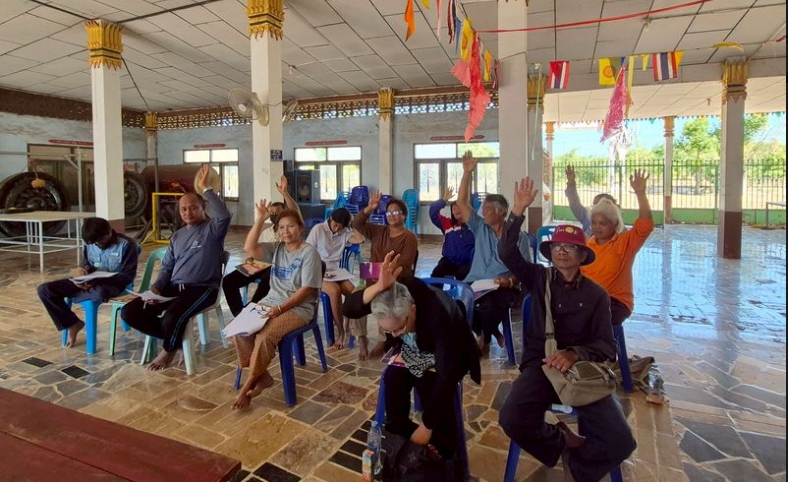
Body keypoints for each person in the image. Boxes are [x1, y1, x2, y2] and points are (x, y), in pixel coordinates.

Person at [498, 176, 636, 482]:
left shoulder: (598, 295)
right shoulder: (539, 278)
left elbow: (606, 347)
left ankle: (578, 467)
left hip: (581, 373)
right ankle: (563, 441)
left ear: (582, 255)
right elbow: (507, 253)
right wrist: (518, 210)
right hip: (541, 367)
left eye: (569, 247)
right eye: (557, 246)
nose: (561, 251)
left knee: (622, 441)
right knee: (511, 417)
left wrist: (575, 353)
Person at [343, 251, 481, 459]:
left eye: (398, 329)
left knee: (430, 388)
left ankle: (443, 449)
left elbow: (448, 374)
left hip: (452, 350)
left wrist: (426, 426)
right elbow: (349, 309)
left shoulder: (436, 316)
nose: (393, 335)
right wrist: (378, 287)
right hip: (415, 349)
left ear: (413, 310)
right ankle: (405, 433)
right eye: (388, 331)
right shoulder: (392, 294)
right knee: (392, 379)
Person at [122, 165, 232, 370]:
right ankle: (178, 340)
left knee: (173, 314)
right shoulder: (177, 236)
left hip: (202, 288)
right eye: (183, 209)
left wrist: (206, 189)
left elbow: (224, 215)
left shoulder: (212, 230)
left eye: (193, 207)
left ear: (202, 208)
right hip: (172, 288)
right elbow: (167, 268)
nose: (188, 212)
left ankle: (168, 351)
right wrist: (156, 289)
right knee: (130, 311)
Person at [232, 203, 322, 409]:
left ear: (301, 228)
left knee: (265, 337)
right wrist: (259, 220)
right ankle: (263, 377)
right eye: (281, 227)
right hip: (270, 302)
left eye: (291, 226)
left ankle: (248, 386)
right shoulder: (277, 249)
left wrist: (280, 310)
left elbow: (307, 290)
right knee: (240, 330)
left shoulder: (309, 253)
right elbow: (249, 248)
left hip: (299, 309)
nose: (286, 231)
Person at [455, 151, 533, 356]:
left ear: (502, 212)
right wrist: (466, 173)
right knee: (456, 306)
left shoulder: (520, 238)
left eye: (488, 208)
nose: (483, 212)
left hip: (502, 287)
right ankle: (487, 334)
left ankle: (484, 339)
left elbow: (526, 271)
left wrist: (509, 281)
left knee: (490, 306)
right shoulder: (480, 227)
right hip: (476, 282)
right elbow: (462, 203)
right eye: (483, 208)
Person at [37, 217, 139, 348]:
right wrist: (81, 272)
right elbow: (86, 264)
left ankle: (76, 297)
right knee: (44, 290)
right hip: (88, 282)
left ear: (109, 232)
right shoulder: (91, 243)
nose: (98, 244)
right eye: (95, 243)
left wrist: (98, 279)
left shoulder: (126, 245)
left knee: (101, 293)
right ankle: (72, 323)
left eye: (101, 240)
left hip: (111, 285)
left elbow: (127, 276)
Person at [350, 192, 418, 360]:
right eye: (389, 212)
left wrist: (383, 272)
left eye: (396, 212)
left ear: (404, 215)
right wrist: (370, 207)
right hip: (370, 279)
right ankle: (362, 338)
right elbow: (356, 223)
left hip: (394, 282)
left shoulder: (409, 237)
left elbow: (404, 264)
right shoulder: (378, 230)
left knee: (384, 295)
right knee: (354, 297)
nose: (391, 216)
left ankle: (382, 340)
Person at [582, 170, 654, 326]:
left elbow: (645, 225)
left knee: (585, 320)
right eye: (594, 223)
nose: (597, 227)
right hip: (588, 299)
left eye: (603, 223)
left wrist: (641, 193)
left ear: (614, 224)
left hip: (615, 302)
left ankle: (598, 350)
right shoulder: (588, 244)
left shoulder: (625, 243)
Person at [222, 175, 300, 317]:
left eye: (279, 213)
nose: (275, 216)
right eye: (272, 214)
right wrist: (259, 220)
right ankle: (240, 314)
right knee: (228, 281)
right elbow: (251, 248)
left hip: (276, 269)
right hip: (260, 264)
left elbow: (296, 213)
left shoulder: (291, 232)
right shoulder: (267, 233)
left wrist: (285, 194)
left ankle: (252, 312)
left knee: (269, 276)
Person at [306, 207, 364, 350]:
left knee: (354, 292)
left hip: (337, 272)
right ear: (331, 218)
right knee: (334, 291)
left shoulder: (344, 231)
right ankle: (341, 332)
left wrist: (350, 226)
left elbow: (360, 239)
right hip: (318, 271)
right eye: (335, 224)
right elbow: (307, 252)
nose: (337, 229)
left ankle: (347, 325)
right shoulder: (318, 229)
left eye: (341, 226)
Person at [428, 187, 474, 280]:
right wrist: (444, 200)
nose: (456, 210)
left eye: (459, 208)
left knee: (464, 276)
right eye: (454, 209)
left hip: (467, 262)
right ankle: (436, 294)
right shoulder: (447, 224)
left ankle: (462, 294)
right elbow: (433, 212)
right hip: (448, 261)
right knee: (436, 273)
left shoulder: (474, 225)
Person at [564, 165, 621, 236]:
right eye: (595, 206)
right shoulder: (588, 217)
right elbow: (574, 204)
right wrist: (571, 182)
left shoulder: (619, 232)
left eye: (602, 207)